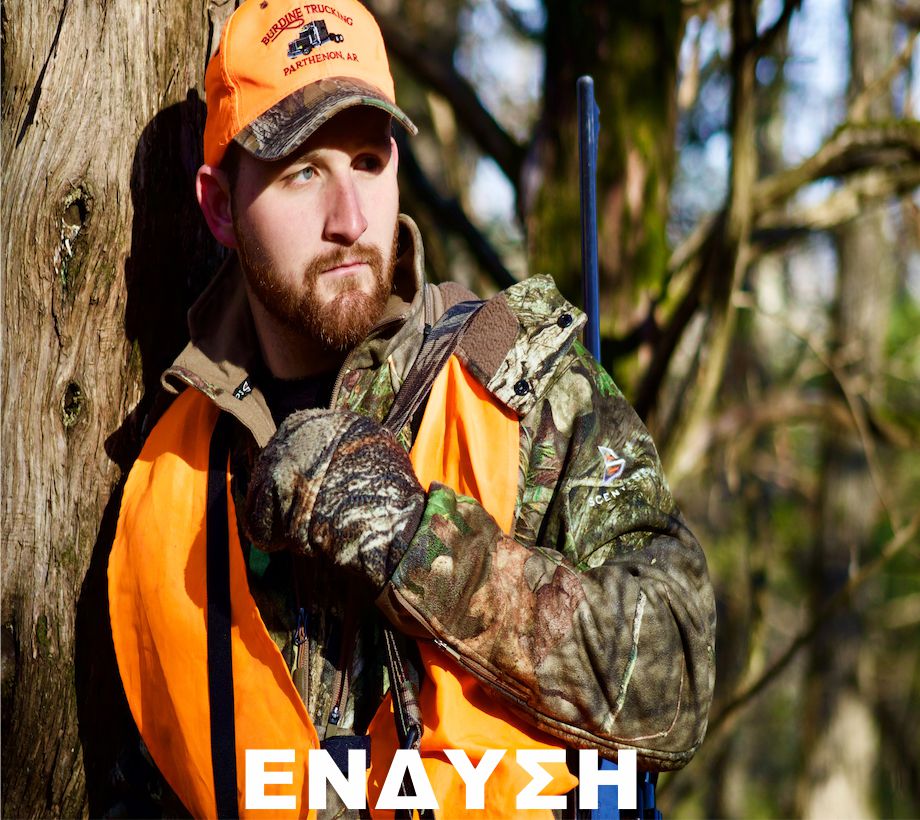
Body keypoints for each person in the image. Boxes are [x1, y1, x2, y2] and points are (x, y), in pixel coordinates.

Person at [108, 0, 716, 817]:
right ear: (219, 206)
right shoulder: (167, 471)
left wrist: (418, 543)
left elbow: (677, 680)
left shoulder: (520, 386)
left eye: (368, 160)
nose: (351, 220)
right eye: (302, 172)